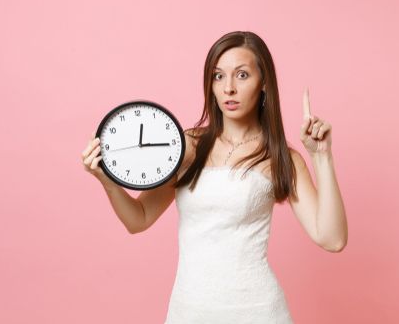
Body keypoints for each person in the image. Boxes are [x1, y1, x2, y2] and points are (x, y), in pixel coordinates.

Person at [81, 30, 348, 323]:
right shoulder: (188, 145)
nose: (228, 88)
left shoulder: (280, 158)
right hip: (189, 311)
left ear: (264, 83)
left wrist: (322, 156)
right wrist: (107, 181)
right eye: (218, 76)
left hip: (258, 312)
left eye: (242, 75)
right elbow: (139, 218)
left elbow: (332, 239)